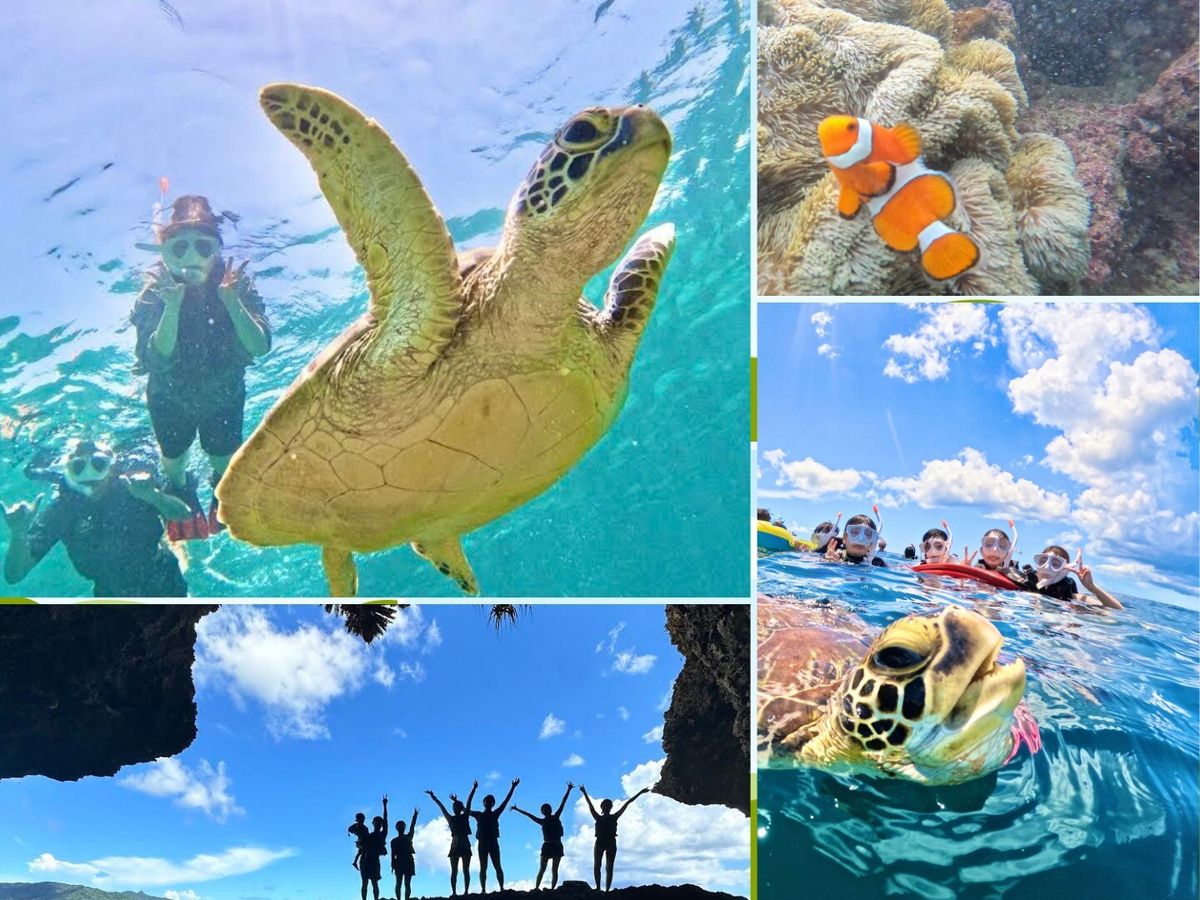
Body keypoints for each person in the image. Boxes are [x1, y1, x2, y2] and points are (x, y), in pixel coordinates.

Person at [131, 194, 270, 539]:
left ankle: (218, 487)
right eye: (179, 249)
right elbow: (156, 359)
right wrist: (171, 307)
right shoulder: (154, 291)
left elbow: (261, 347)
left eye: (203, 248)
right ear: (165, 253)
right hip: (169, 395)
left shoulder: (236, 284)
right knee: (173, 458)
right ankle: (181, 488)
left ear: (216, 251)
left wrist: (233, 303)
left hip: (223, 393)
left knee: (224, 460)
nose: (191, 258)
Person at [3, 439, 191, 597]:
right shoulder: (62, 510)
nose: (90, 475)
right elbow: (15, 574)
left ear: (111, 468)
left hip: (164, 582)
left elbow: (184, 515)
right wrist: (18, 533)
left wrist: (152, 496)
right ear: (69, 473)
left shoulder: (134, 487)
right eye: (78, 467)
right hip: (110, 594)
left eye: (99, 464)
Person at [580, 783, 650, 892]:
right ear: (602, 807)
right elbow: (590, 805)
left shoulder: (614, 817)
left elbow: (627, 803)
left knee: (609, 867)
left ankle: (607, 889)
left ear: (610, 807)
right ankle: (598, 887)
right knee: (597, 865)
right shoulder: (598, 817)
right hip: (600, 842)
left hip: (611, 842)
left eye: (608, 806)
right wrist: (584, 792)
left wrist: (640, 793)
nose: (606, 807)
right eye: (604, 806)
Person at [1018, 546, 1125, 609]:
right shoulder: (1025, 584)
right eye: (1043, 561)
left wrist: (1092, 587)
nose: (1047, 567)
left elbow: (1116, 610)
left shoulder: (1071, 598)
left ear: (1065, 571)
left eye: (1056, 564)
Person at [513, 783, 574, 890]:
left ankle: (545, 888)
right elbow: (529, 815)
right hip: (553, 845)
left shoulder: (547, 820)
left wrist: (568, 790)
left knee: (547, 869)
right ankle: (543, 888)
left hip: (554, 845)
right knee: (549, 869)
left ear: (543, 811)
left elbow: (563, 802)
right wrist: (517, 809)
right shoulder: (548, 819)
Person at [469, 777, 519, 893]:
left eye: (490, 802)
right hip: (482, 842)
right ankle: (483, 889)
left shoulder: (495, 813)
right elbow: (465, 809)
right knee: (483, 867)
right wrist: (473, 789)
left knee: (497, 866)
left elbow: (506, 801)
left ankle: (501, 887)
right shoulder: (478, 815)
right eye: (487, 801)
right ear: (483, 803)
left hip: (493, 842)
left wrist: (512, 787)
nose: (488, 803)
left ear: (492, 804)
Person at [427, 781, 477, 896]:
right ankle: (457, 892)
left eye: (455, 806)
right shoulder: (456, 818)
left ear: (458, 808)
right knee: (458, 871)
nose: (454, 808)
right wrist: (434, 797)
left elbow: (468, 803)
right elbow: (442, 806)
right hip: (460, 844)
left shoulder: (456, 817)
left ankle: (464, 892)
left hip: (460, 844)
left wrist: (473, 789)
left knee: (463, 870)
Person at [358, 795, 388, 900]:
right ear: (373, 823)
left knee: (375, 883)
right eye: (376, 822)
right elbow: (361, 845)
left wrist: (384, 805)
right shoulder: (368, 836)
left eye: (380, 823)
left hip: (374, 861)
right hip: (365, 860)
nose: (378, 824)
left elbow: (386, 819)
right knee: (364, 883)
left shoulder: (382, 834)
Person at [390, 807, 419, 900]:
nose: (401, 827)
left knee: (407, 884)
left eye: (402, 826)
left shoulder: (408, 837)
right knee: (398, 883)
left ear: (404, 827)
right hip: (399, 861)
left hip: (408, 861)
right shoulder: (394, 841)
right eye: (399, 826)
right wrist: (392, 863)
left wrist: (415, 816)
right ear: (396, 828)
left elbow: (412, 826)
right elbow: (392, 853)